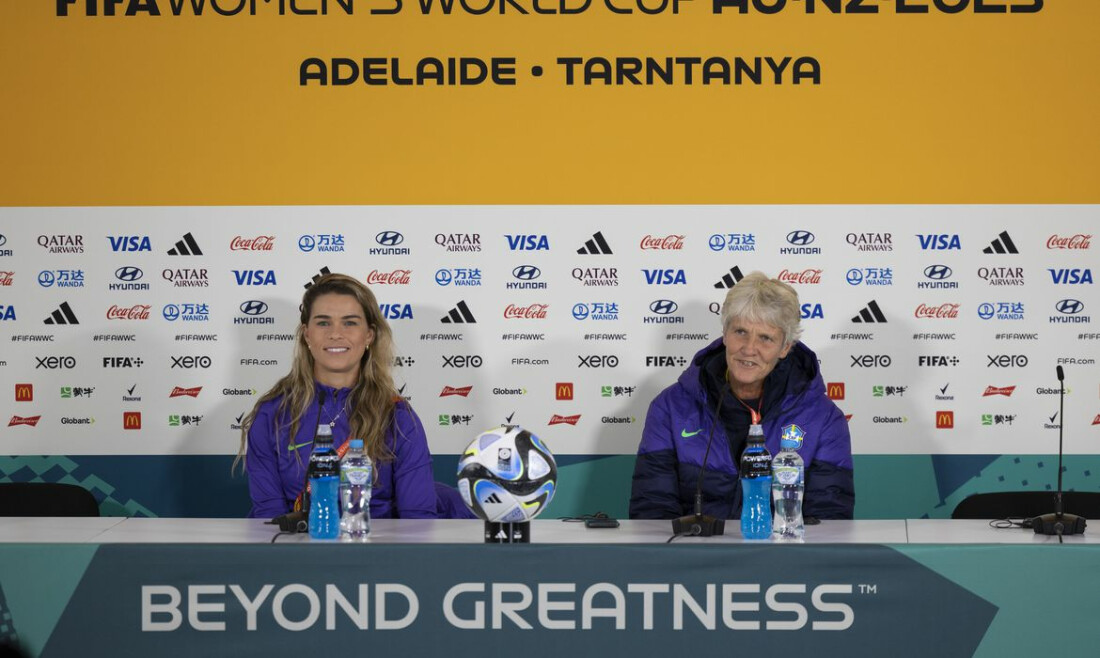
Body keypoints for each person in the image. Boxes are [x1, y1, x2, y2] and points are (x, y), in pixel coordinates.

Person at [629, 271, 854, 521]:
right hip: (693, 555)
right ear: (725, 334)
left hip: (783, 557)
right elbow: (652, 510)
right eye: (740, 332)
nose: (749, 349)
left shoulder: (824, 418)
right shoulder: (670, 408)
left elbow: (830, 520)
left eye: (766, 338)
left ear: (785, 348)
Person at [238, 273, 448, 519]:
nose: (335, 334)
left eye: (350, 322)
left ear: (369, 335)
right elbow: (269, 516)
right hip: (296, 551)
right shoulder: (272, 413)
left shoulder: (398, 417)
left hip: (377, 551)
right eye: (323, 323)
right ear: (307, 334)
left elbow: (418, 520)